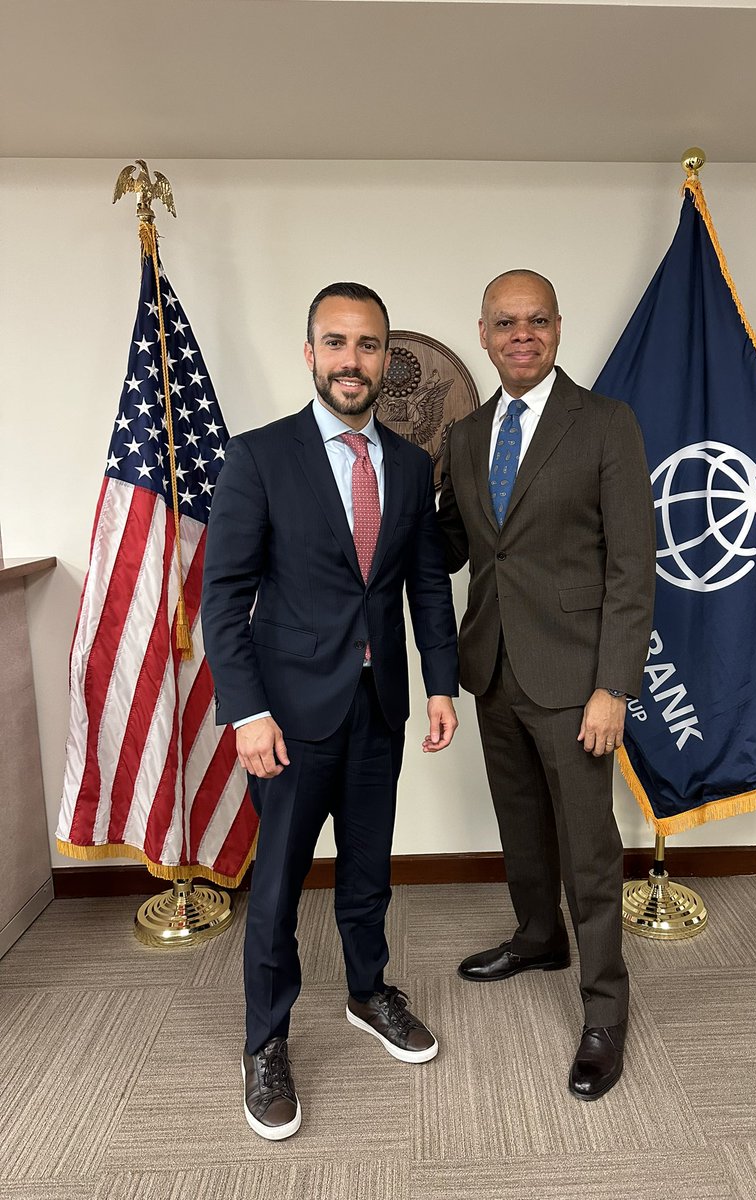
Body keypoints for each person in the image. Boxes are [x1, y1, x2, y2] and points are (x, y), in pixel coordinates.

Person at [202, 282, 459, 1141]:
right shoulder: (258, 457)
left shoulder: (413, 465)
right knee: (274, 891)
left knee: (368, 869)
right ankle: (265, 1042)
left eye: (370, 345)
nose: (354, 361)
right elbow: (224, 597)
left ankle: (366, 991)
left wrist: (442, 684)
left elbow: (425, 584)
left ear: (387, 358)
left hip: (377, 706)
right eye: (337, 343)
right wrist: (245, 714)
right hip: (285, 718)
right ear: (310, 354)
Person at [437, 269, 655, 1101]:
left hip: (576, 681)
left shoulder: (605, 424)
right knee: (521, 825)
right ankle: (537, 937)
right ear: (485, 333)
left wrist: (614, 687)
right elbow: (453, 546)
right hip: (491, 666)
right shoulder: (467, 435)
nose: (520, 334)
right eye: (504, 322)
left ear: (557, 328)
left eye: (535, 320)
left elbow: (635, 567)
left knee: (590, 850)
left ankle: (605, 1011)